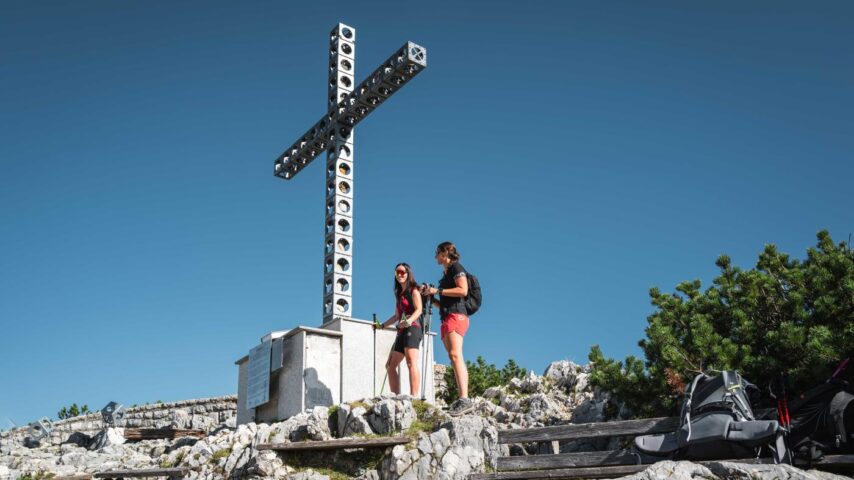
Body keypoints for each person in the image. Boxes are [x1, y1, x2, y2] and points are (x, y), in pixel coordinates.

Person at [422, 241, 473, 416]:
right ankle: (462, 398)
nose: (435, 256)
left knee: (455, 355)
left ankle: (465, 398)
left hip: (456, 316)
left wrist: (438, 290)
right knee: (453, 357)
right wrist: (431, 297)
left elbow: (463, 290)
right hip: (447, 316)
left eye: (437, 252)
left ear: (445, 253)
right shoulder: (446, 274)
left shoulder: (456, 267)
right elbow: (443, 303)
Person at [375, 262, 423, 397]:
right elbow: (397, 315)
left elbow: (419, 310)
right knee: (390, 366)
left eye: (403, 272)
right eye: (397, 272)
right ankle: (395, 397)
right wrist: (382, 325)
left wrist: (408, 320)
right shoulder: (399, 294)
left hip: (413, 328)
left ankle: (414, 397)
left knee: (411, 362)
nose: (400, 275)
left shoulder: (413, 290)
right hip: (402, 331)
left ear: (408, 274)